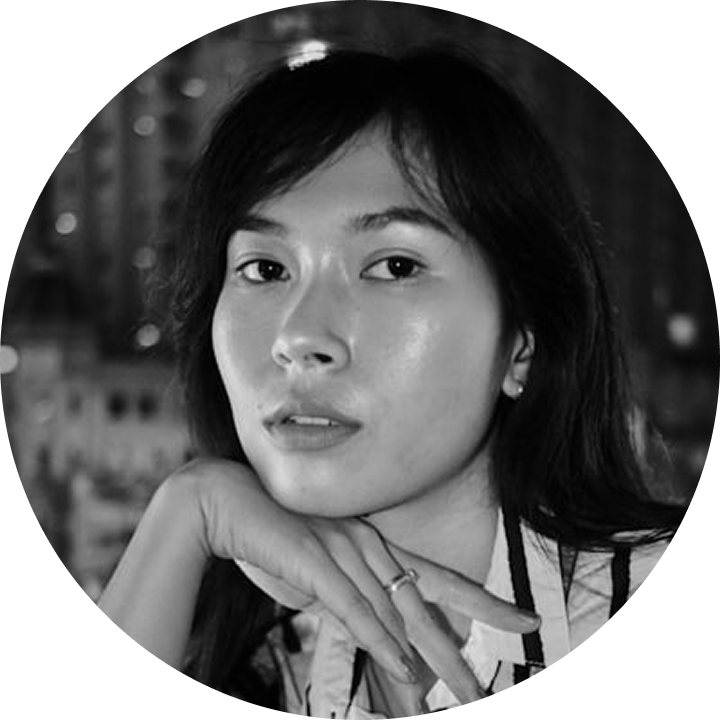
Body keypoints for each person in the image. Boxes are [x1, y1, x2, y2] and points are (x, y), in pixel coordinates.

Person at [98, 43, 685, 717]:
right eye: (265, 269)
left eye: (394, 266)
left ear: (522, 344)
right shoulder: (271, 672)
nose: (299, 337)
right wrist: (188, 511)